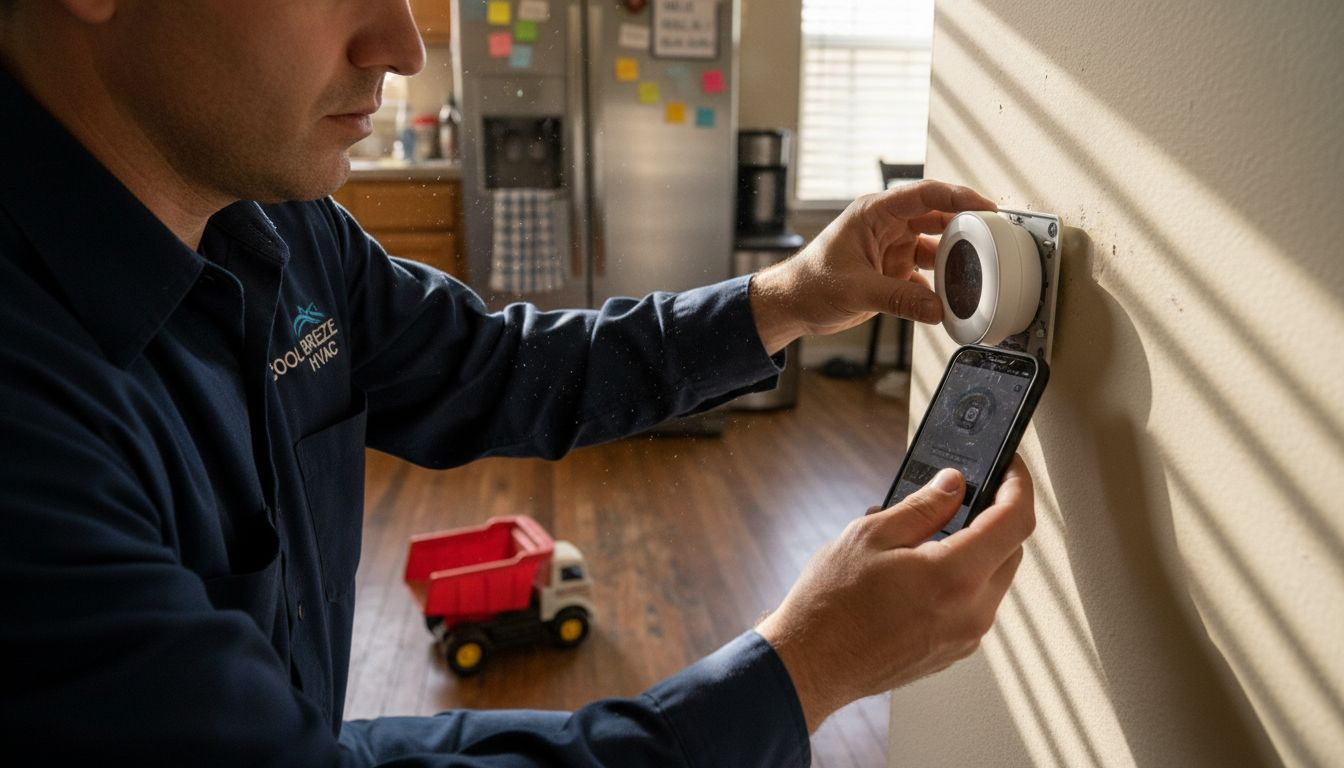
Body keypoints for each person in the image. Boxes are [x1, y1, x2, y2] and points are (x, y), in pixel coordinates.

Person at [0, 1, 1035, 765]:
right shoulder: (33, 417)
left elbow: (498, 367)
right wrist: (801, 673)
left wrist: (792, 296)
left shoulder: (278, 223)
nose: (402, 46)